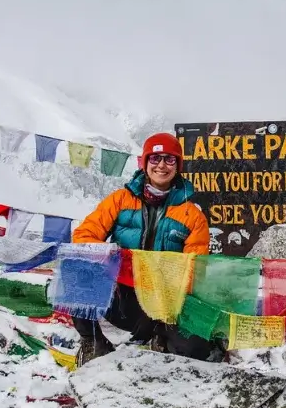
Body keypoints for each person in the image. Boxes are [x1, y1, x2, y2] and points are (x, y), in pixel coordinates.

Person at [71, 132, 212, 366]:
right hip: (124, 298)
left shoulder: (192, 216)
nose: (162, 165)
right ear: (145, 163)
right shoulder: (120, 200)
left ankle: (159, 337)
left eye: (169, 159)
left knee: (195, 350)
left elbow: (196, 269)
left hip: (166, 303)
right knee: (78, 269)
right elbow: (84, 236)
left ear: (178, 165)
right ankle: (92, 342)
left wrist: (167, 299)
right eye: (155, 158)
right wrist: (111, 259)